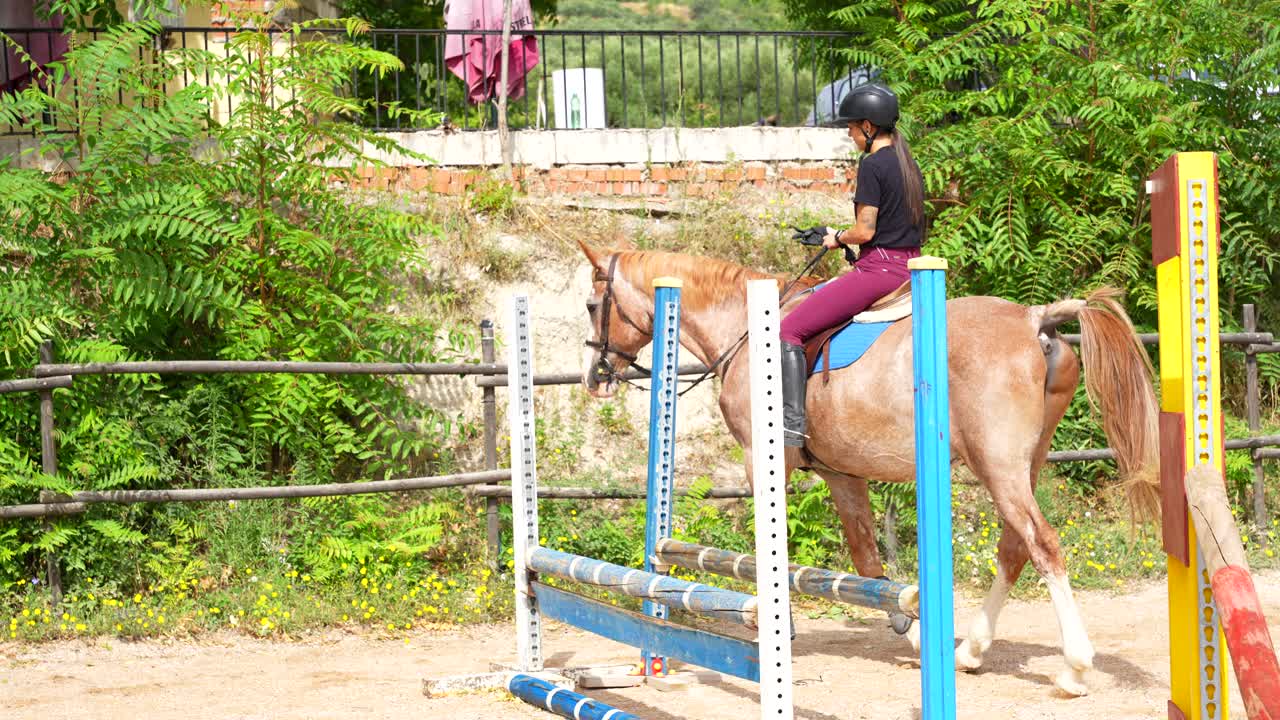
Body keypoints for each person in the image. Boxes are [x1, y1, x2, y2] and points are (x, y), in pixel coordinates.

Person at [780, 83, 926, 447]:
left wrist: (840, 237)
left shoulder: (873, 164)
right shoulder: (909, 164)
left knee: (790, 330)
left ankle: (792, 425)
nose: (849, 134)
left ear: (867, 126)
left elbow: (865, 230)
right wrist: (833, 234)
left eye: (850, 127)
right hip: (911, 268)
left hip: (880, 272)